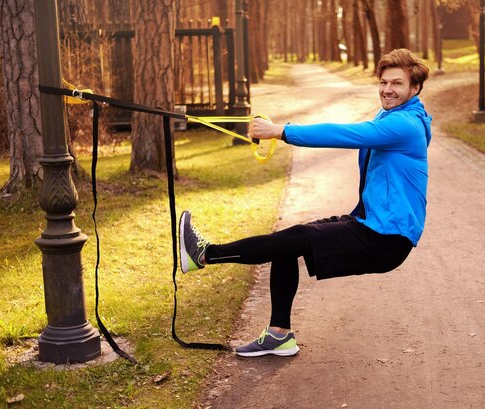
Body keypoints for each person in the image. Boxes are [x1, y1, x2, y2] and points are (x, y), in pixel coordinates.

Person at [179, 48, 431, 357]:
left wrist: (280, 131)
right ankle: (278, 335)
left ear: (414, 88)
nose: (387, 90)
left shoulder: (405, 125)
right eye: (383, 82)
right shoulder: (393, 116)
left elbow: (344, 133)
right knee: (288, 243)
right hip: (369, 224)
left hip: (385, 239)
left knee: (292, 240)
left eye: (397, 84)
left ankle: (204, 255)